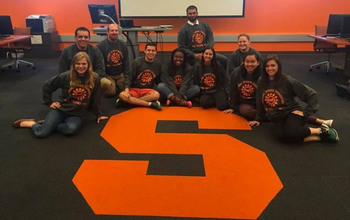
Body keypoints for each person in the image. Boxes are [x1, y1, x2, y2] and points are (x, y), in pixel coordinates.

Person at [12, 52, 108, 138]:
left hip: (76, 114)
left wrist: (98, 114)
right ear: (73, 65)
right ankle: (31, 123)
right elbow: (47, 85)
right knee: (41, 133)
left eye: (84, 64)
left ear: (88, 65)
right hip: (62, 109)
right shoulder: (66, 76)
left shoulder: (94, 78)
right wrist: (49, 102)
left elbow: (96, 97)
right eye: (77, 64)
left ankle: (50, 123)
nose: (81, 66)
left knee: (70, 130)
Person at [249, 55, 339, 143]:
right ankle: (321, 138)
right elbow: (259, 99)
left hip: (292, 112)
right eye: (267, 66)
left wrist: (306, 112)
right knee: (280, 137)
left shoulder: (286, 80)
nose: (270, 68)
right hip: (277, 116)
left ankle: (322, 131)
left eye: (273, 65)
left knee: (292, 132)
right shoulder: (261, 80)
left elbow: (311, 93)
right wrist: (258, 118)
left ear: (278, 67)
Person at [177, 5, 227, 69]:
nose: (192, 15)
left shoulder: (205, 25)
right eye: (190, 13)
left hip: (207, 53)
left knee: (224, 60)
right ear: (187, 15)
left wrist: (207, 52)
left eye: (194, 13)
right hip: (192, 57)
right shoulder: (183, 29)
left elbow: (210, 39)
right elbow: (181, 47)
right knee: (199, 67)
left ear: (197, 13)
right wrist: (194, 55)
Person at [118, 42, 162, 110]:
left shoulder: (158, 64)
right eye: (148, 50)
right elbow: (129, 77)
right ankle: (149, 104)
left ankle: (130, 102)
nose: (151, 52)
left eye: (153, 50)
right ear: (145, 51)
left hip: (147, 91)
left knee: (156, 95)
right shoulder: (137, 62)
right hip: (134, 90)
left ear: (156, 52)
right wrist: (126, 91)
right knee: (122, 95)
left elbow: (158, 80)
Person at [223, 52, 262, 120]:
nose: (250, 64)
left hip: (259, 102)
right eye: (247, 62)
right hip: (245, 103)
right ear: (243, 62)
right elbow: (233, 91)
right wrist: (232, 107)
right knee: (245, 111)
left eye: (253, 62)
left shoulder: (263, 74)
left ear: (258, 63)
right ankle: (265, 116)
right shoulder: (236, 73)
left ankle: (263, 114)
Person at [97, 24, 129, 97]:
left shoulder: (123, 45)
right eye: (112, 30)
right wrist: (103, 78)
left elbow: (126, 63)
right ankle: (114, 87)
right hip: (108, 76)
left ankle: (117, 86)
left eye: (116, 30)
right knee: (111, 93)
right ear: (107, 32)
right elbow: (99, 65)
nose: (114, 32)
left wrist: (126, 80)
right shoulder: (100, 46)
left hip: (120, 75)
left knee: (128, 88)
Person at [193, 46, 229, 111]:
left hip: (217, 90)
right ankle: (217, 101)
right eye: (206, 54)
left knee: (222, 107)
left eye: (210, 54)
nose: (208, 56)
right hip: (205, 92)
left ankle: (219, 100)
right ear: (203, 54)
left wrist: (227, 92)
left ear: (213, 56)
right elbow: (196, 81)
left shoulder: (218, 65)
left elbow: (224, 80)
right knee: (204, 104)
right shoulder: (197, 66)